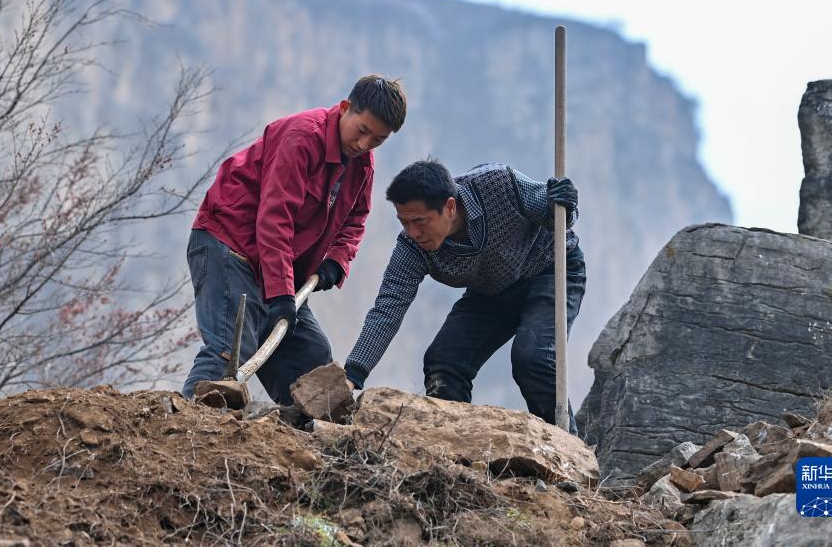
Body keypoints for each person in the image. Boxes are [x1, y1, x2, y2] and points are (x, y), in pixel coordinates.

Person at [181, 75, 407, 404]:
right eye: (362, 131)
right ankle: (186, 429)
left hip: (277, 271)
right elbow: (275, 219)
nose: (364, 145)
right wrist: (281, 293)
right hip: (230, 246)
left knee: (313, 367)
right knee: (230, 353)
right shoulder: (302, 138)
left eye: (377, 140)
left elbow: (355, 220)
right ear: (345, 108)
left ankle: (305, 442)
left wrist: (336, 261)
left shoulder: (362, 166)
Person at [343, 159, 586, 432]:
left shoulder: (499, 184)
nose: (413, 232)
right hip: (491, 290)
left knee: (533, 358)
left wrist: (565, 201)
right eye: (404, 222)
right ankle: (456, 450)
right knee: (443, 363)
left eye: (420, 221)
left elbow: (558, 213)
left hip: (550, 268)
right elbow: (388, 307)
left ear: (449, 206)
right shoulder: (411, 247)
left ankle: (568, 458)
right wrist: (353, 373)